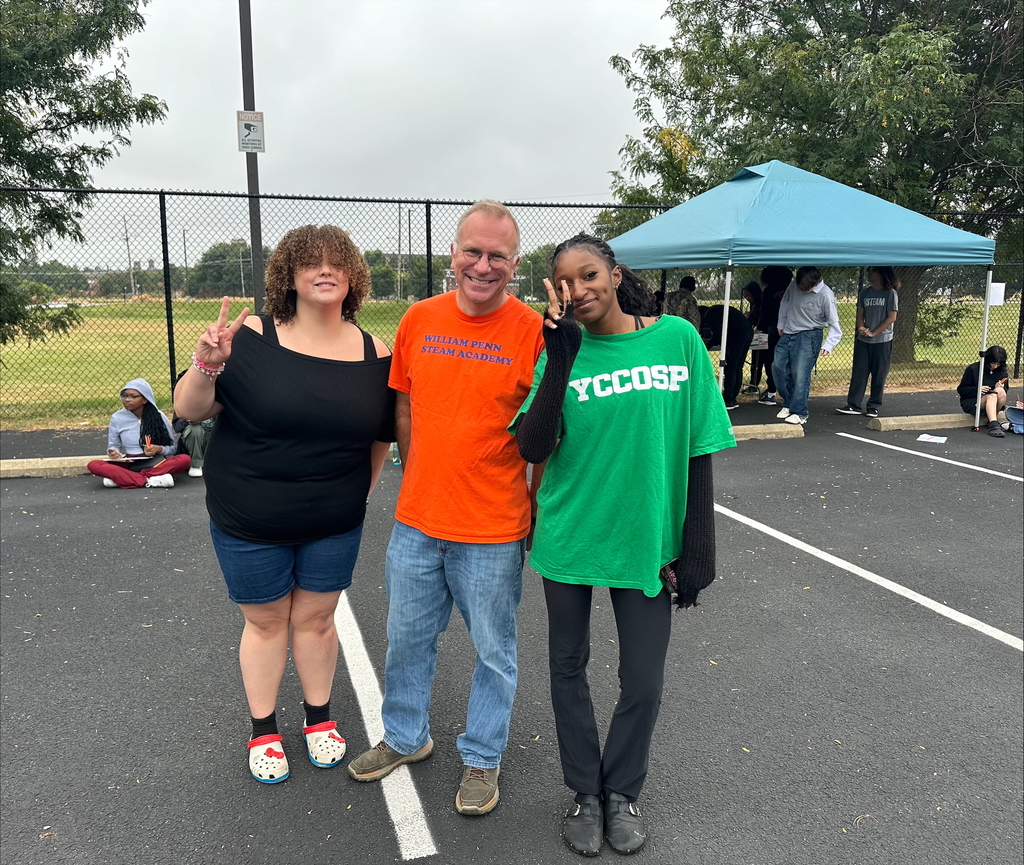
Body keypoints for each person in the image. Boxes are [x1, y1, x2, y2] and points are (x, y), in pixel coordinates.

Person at [513, 234, 735, 857]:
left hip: (645, 540)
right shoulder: (559, 347)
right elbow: (533, 445)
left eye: (590, 275)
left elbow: (698, 448)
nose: (579, 290)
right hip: (570, 535)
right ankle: (585, 791)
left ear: (614, 274)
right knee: (568, 667)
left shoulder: (677, 341)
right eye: (565, 282)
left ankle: (621, 792)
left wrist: (698, 554)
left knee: (643, 677)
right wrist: (558, 355)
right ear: (553, 291)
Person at [173, 225, 395, 784]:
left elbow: (378, 437)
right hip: (249, 515)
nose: (324, 271)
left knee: (318, 621)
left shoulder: (376, 351)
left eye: (336, 262)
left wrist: (360, 494)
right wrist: (207, 363)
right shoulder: (248, 335)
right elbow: (190, 409)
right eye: (309, 263)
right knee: (268, 622)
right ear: (288, 276)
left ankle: (318, 719)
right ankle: (263, 728)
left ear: (352, 277)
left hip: (334, 519)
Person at [346, 201, 545, 817]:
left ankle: (482, 757)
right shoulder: (419, 320)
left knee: (494, 652)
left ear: (514, 263)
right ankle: (407, 737)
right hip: (417, 523)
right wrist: (417, 472)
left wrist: (530, 506)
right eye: (472, 252)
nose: (482, 266)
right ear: (454, 253)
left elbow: (546, 433)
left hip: (492, 527)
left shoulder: (534, 332)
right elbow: (404, 405)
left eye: (497, 256)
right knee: (406, 639)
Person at [86, 378, 191, 489]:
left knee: (185, 459)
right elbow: (113, 446)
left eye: (133, 396)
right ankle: (150, 479)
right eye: (125, 396)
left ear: (145, 399)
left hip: (155, 462)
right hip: (129, 462)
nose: (127, 400)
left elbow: (172, 448)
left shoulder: (159, 416)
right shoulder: (117, 418)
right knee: (94, 465)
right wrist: (113, 453)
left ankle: (123, 479)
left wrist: (159, 449)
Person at [772, 266, 842, 425]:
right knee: (778, 367)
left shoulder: (826, 295)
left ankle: (800, 412)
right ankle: (788, 403)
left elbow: (835, 325)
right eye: (799, 286)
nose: (800, 289)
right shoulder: (793, 284)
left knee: (800, 373)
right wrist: (781, 323)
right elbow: (786, 301)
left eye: (804, 288)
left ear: (815, 284)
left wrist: (828, 345)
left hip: (809, 335)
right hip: (789, 332)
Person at [836, 266, 899, 418]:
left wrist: (874, 332)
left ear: (882, 274)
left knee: (879, 374)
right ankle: (854, 405)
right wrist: (861, 328)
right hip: (863, 341)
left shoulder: (890, 293)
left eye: (874, 272)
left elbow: (892, 317)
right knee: (859, 372)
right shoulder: (865, 292)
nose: (870, 275)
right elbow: (860, 313)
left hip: (882, 341)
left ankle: (873, 406)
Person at [698, 303, 754, 410]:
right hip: (747, 331)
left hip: (737, 334)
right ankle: (733, 397)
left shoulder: (709, 314)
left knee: (731, 366)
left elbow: (718, 336)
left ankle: (728, 398)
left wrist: (706, 344)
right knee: (738, 366)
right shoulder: (716, 310)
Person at [755, 266, 791, 405]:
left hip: (773, 329)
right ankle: (789, 391)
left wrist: (759, 327)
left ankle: (771, 392)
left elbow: (765, 311)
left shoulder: (768, 291)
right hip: (792, 329)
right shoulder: (793, 290)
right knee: (790, 361)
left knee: (771, 360)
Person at [172, 368, 216, 478]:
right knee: (194, 429)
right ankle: (196, 464)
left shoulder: (217, 397)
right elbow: (177, 427)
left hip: (214, 437)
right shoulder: (184, 403)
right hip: (195, 443)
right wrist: (189, 420)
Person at [957, 345, 1010, 437]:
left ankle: (992, 419)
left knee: (1000, 391)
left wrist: (999, 386)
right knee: (992, 396)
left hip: (993, 401)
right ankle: (993, 423)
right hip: (973, 400)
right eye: (993, 363)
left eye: (998, 364)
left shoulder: (1002, 372)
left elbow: (1005, 391)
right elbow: (961, 390)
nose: (995, 366)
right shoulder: (973, 369)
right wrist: (978, 389)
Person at [741, 281, 765, 392]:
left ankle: (756, 384)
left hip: (762, 334)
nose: (747, 298)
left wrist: (750, 316)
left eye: (748, 295)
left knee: (761, 360)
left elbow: (761, 317)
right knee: (756, 360)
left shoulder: (761, 302)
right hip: (757, 334)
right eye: (745, 296)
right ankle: (753, 383)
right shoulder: (755, 303)